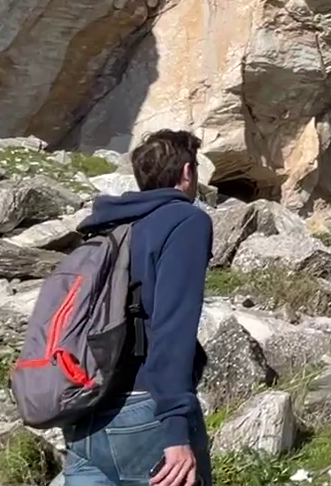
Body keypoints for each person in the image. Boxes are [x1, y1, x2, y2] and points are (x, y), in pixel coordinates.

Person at [62, 130, 215, 486]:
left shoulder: (107, 225)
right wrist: (176, 427)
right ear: (188, 172)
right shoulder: (186, 221)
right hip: (145, 413)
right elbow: (172, 327)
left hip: (84, 413)